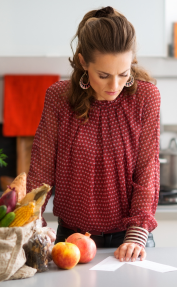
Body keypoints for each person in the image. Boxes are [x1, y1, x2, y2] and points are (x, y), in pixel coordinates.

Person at [26, 6, 160, 263]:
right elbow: (41, 170)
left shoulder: (146, 98)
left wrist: (135, 235)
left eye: (124, 74)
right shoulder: (58, 97)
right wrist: (33, 222)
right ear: (83, 62)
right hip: (71, 239)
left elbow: (147, 171)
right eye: (104, 75)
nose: (115, 86)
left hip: (130, 239)